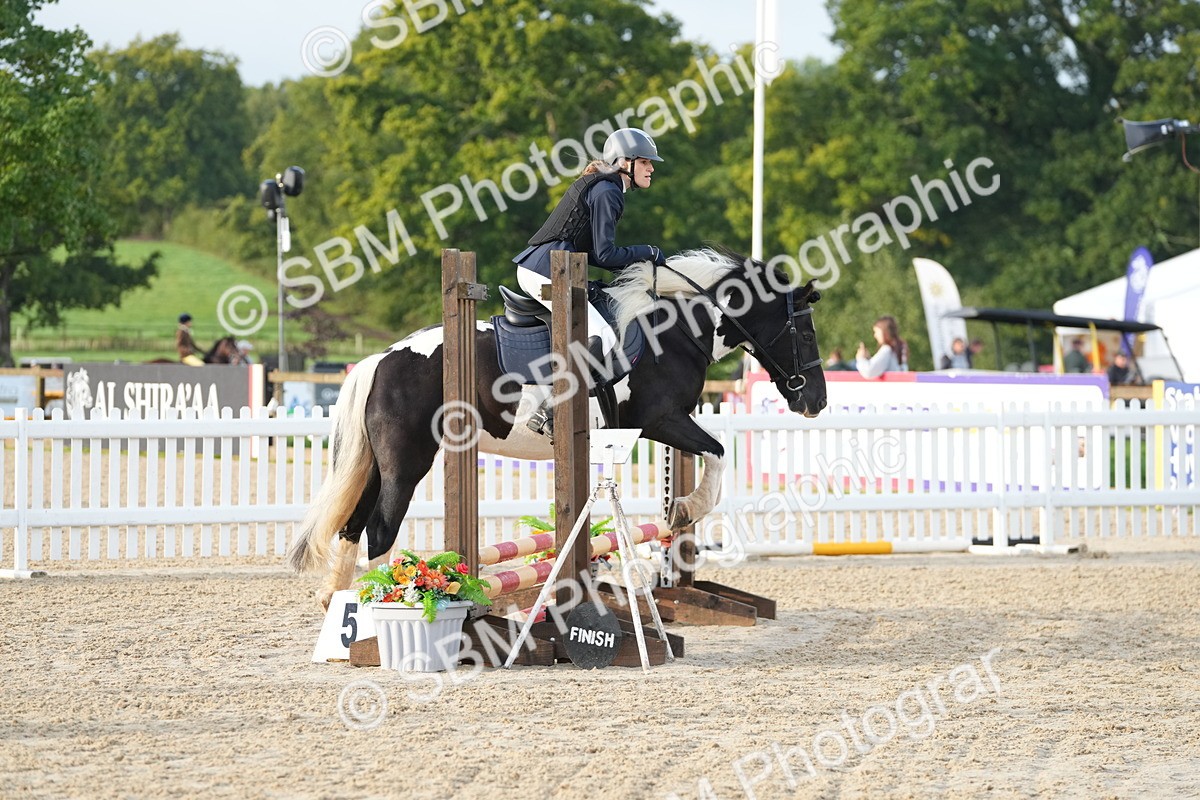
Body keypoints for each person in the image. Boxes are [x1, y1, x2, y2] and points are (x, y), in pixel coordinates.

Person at [513, 127, 667, 437]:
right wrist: (648, 252)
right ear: (625, 161)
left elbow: (596, 255)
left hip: (552, 267)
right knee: (601, 336)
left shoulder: (606, 188)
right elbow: (607, 253)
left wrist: (636, 260)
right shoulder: (607, 191)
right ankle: (551, 410)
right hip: (544, 271)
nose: (652, 168)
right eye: (646, 162)